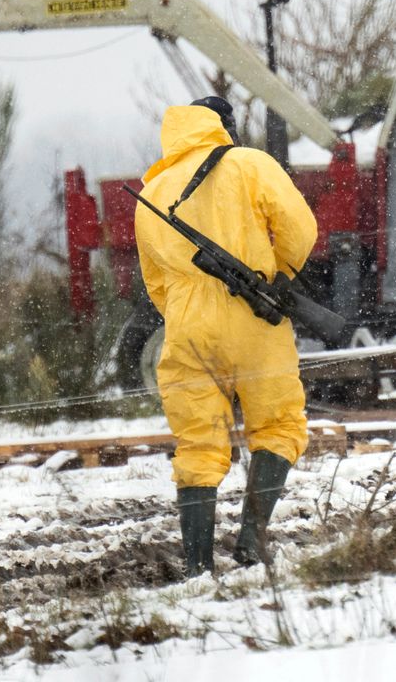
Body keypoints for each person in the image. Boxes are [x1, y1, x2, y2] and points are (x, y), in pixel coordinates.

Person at [135, 95, 318, 576]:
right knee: (278, 426)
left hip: (186, 327)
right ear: (224, 127)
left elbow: (155, 282)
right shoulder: (249, 163)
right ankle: (252, 543)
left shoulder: (152, 191)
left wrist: (186, 313)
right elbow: (300, 229)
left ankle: (197, 564)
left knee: (198, 443)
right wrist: (279, 278)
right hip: (253, 317)